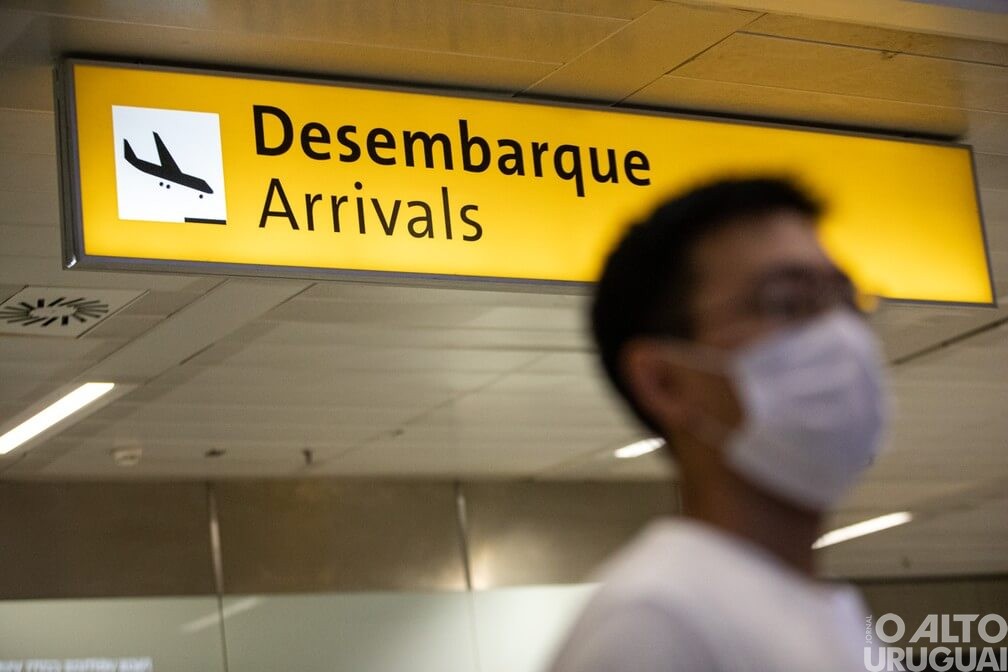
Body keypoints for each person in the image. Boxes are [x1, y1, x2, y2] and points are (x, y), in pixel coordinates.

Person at [548, 177, 887, 672]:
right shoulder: (655, 623)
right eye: (786, 304)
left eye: (844, 301)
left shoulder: (829, 614)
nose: (839, 337)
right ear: (664, 381)